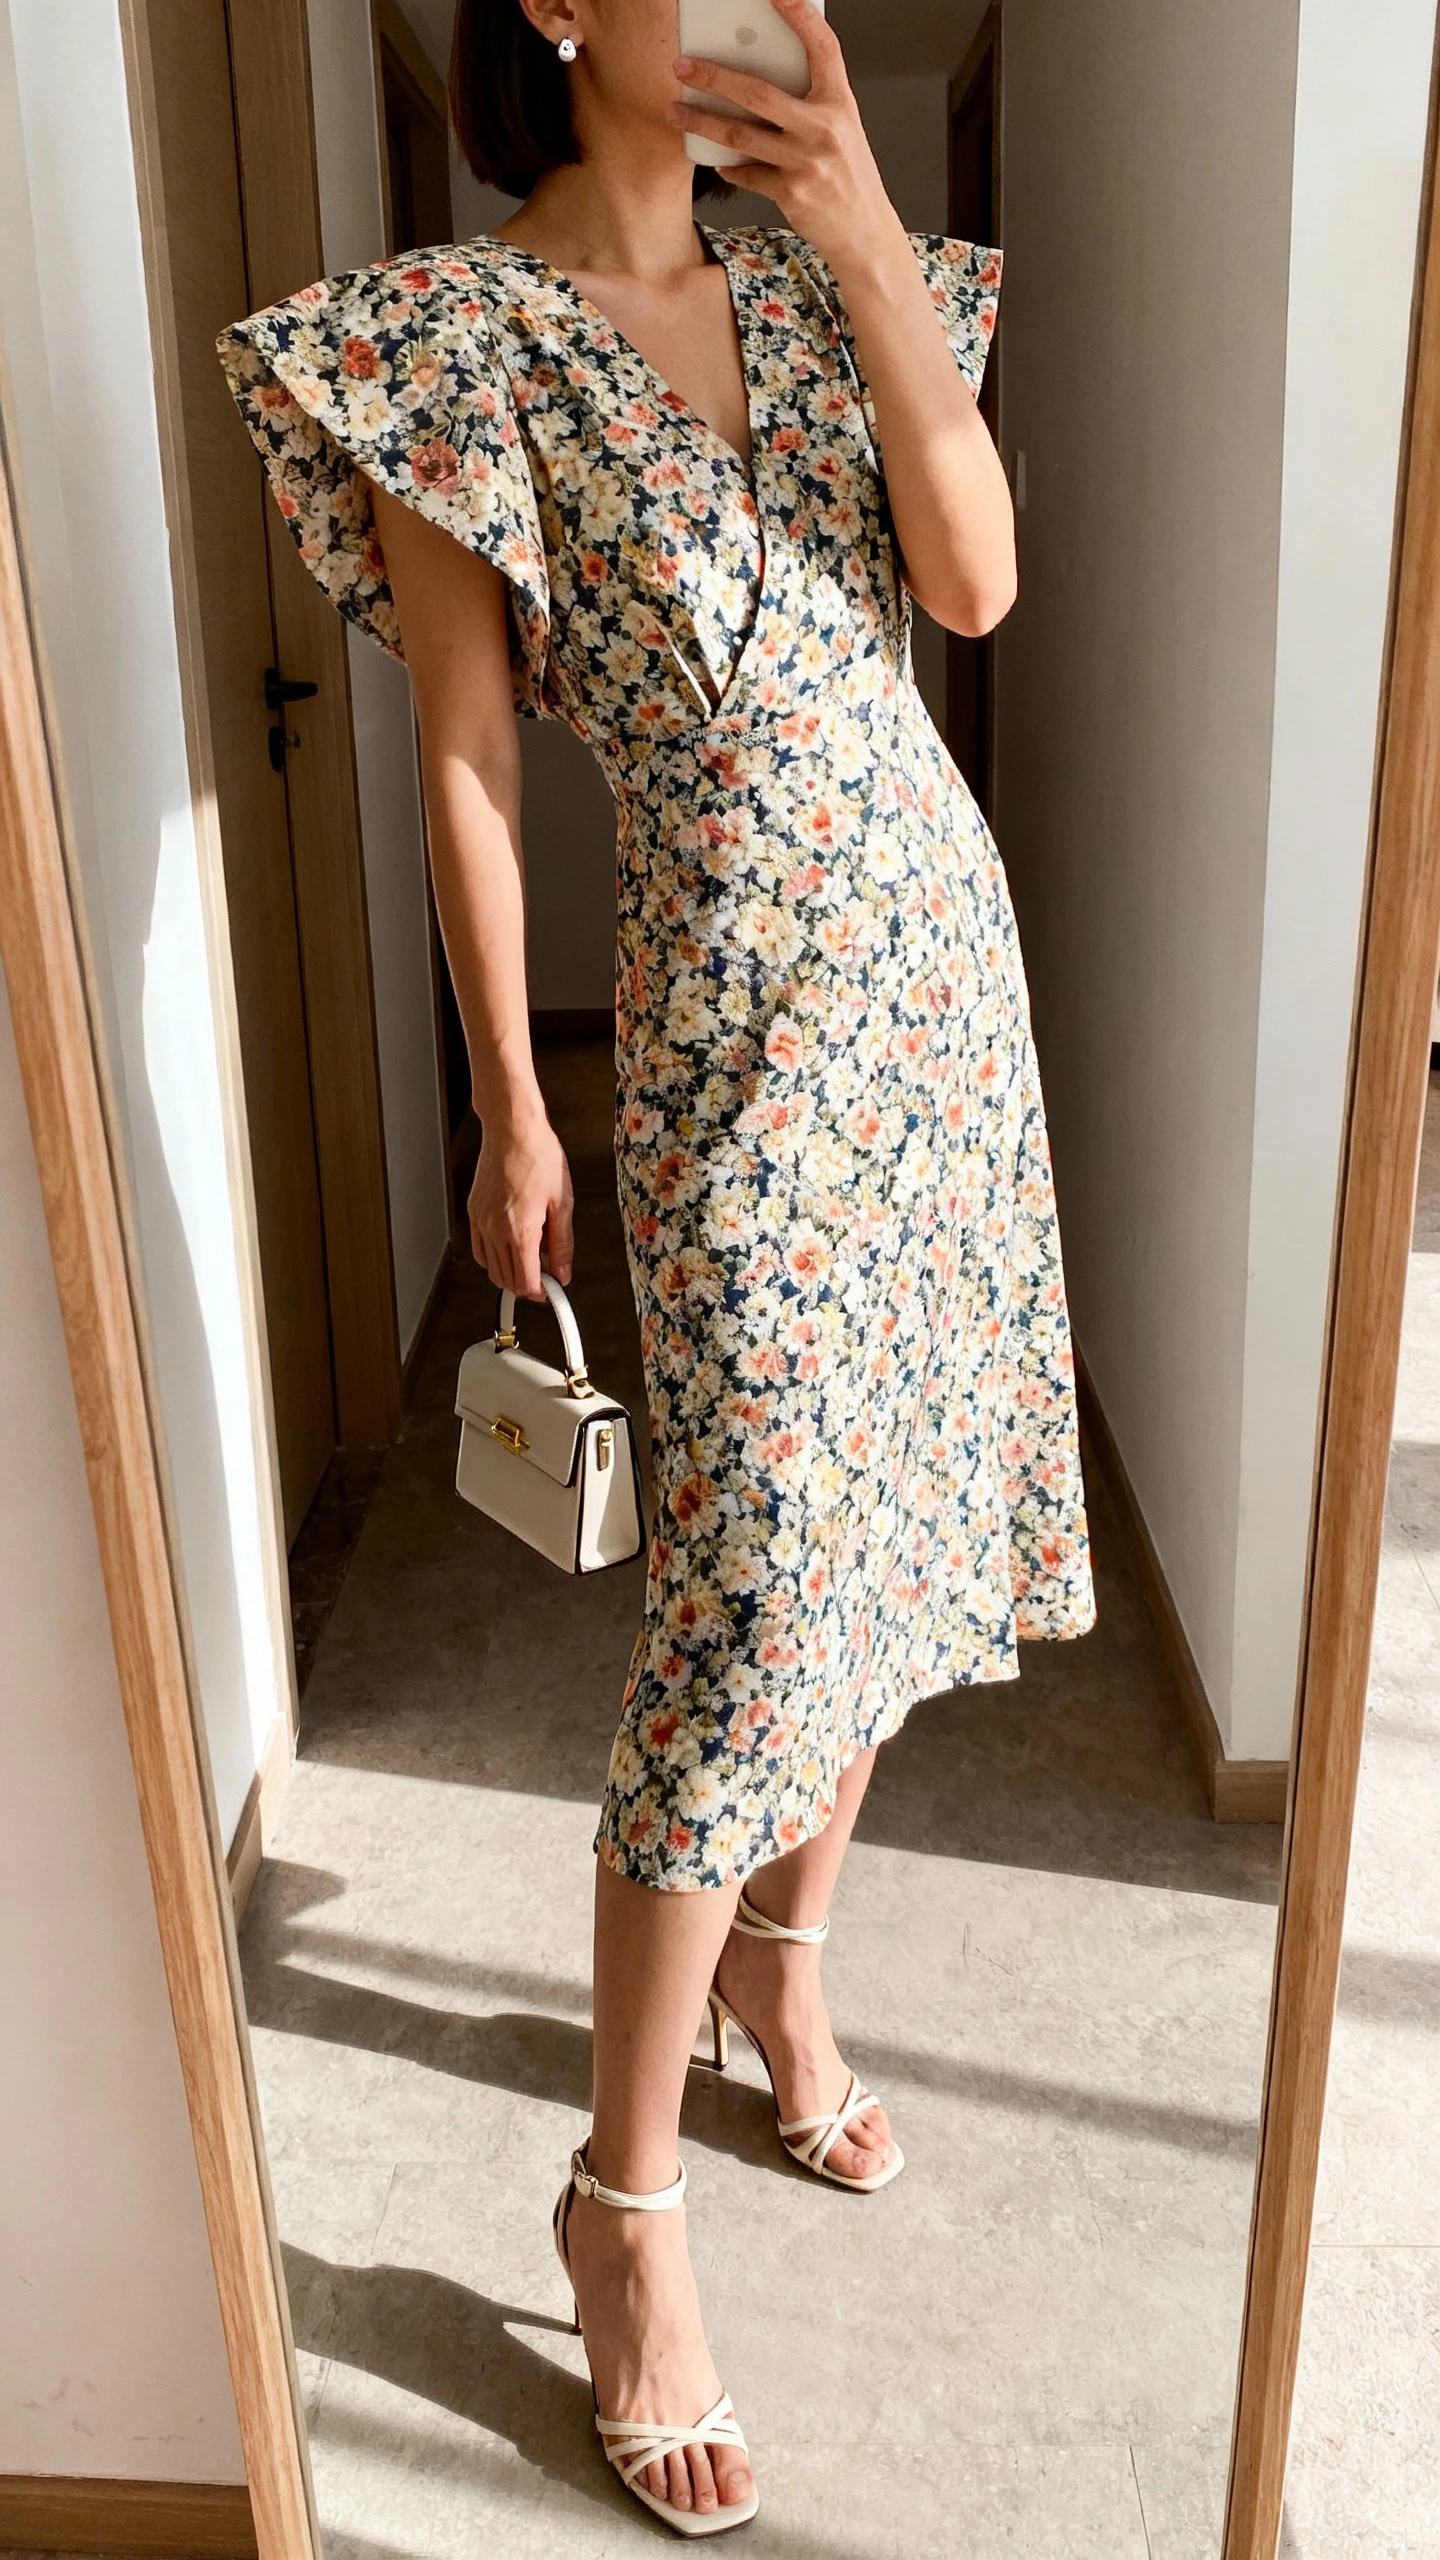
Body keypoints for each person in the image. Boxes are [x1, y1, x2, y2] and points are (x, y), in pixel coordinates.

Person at [220, 0, 1094, 2531]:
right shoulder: (459, 345)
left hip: (944, 976)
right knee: (752, 1598)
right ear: (564, 12)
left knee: (899, 1541)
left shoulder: (845, 282)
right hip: (729, 1022)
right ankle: (621, 2208)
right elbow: (470, 750)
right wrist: (511, 1087)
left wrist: (852, 231)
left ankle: (787, 1978)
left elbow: (979, 578)